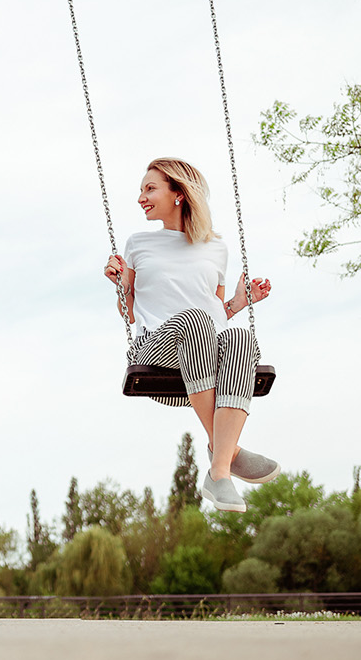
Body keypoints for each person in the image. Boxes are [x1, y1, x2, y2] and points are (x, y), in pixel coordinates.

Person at [103, 157, 278, 513]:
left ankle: (219, 470)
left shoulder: (217, 248)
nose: (141, 198)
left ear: (179, 194)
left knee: (241, 337)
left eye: (150, 188)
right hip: (157, 356)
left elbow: (215, 315)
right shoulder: (137, 244)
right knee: (193, 320)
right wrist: (119, 285)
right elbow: (130, 312)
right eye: (141, 190)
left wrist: (239, 303)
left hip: (201, 366)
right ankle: (228, 453)